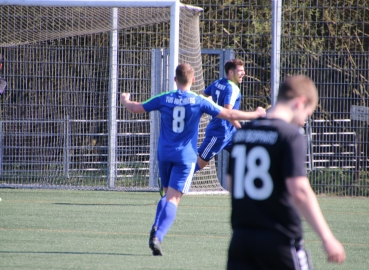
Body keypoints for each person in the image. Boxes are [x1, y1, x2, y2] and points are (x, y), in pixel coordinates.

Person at [120, 63, 265, 256]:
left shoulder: (164, 98)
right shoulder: (198, 101)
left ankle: (156, 227)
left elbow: (136, 108)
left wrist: (124, 99)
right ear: (193, 79)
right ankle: (158, 236)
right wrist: (255, 114)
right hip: (185, 157)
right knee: (173, 199)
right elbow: (229, 113)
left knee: (166, 195)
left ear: (175, 79)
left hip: (164, 154)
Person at [226, 75, 346, 269]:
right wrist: (327, 238)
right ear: (301, 102)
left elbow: (231, 182)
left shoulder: (242, 134)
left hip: (241, 240)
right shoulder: (290, 135)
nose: (303, 121)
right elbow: (299, 190)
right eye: (307, 114)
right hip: (279, 239)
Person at [196, 59, 263, 173]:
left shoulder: (217, 82)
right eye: (240, 70)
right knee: (199, 163)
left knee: (246, 156)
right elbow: (228, 113)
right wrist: (241, 129)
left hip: (230, 133)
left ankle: (247, 187)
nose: (243, 73)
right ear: (231, 72)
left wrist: (214, 106)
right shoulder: (232, 88)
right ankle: (170, 181)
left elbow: (203, 96)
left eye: (243, 70)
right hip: (219, 133)